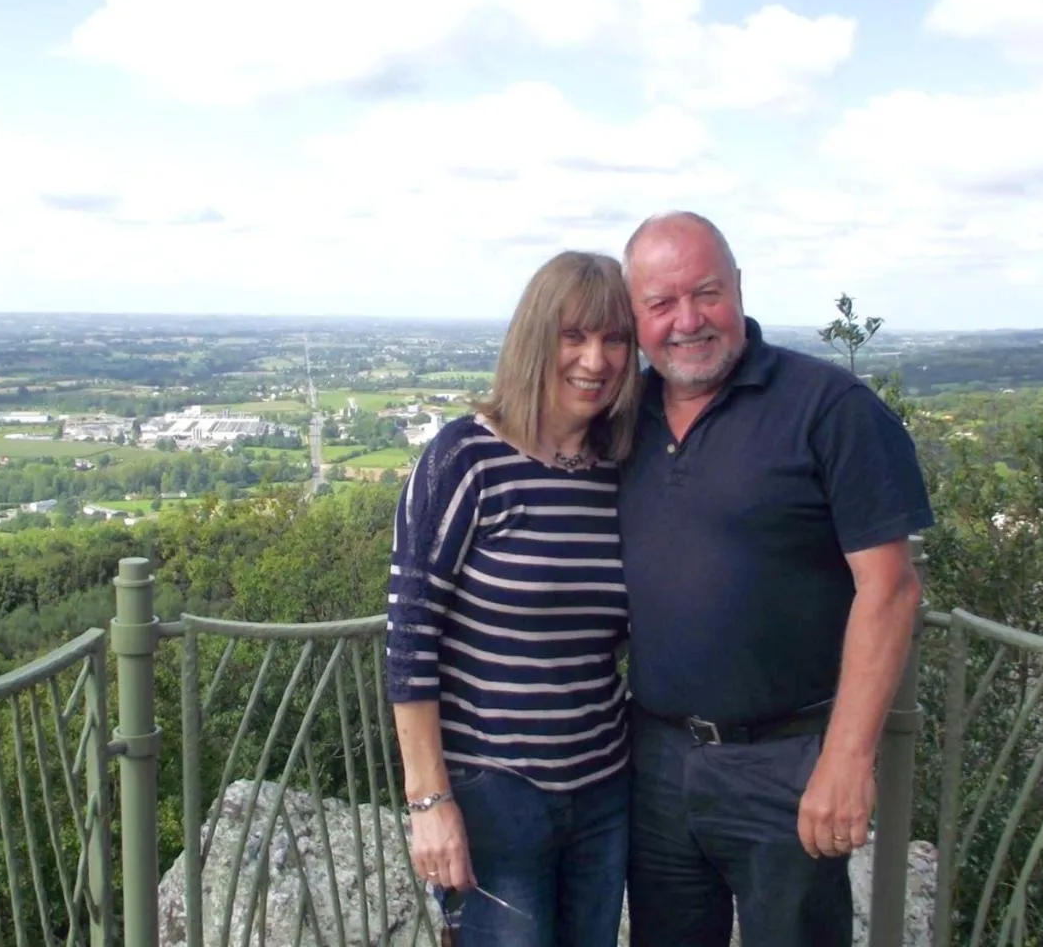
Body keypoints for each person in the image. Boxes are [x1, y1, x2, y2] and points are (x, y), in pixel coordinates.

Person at [616, 211, 934, 946]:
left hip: (788, 762)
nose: (688, 321)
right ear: (634, 317)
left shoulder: (829, 409)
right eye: (661, 303)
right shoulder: (624, 417)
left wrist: (848, 759)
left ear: (738, 288)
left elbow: (891, 589)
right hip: (655, 760)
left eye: (706, 293)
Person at [385, 250, 641, 946]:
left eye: (615, 339)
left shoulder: (620, 473)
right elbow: (410, 640)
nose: (596, 359)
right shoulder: (466, 459)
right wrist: (429, 801)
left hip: (604, 790)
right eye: (573, 336)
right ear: (535, 339)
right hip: (494, 795)